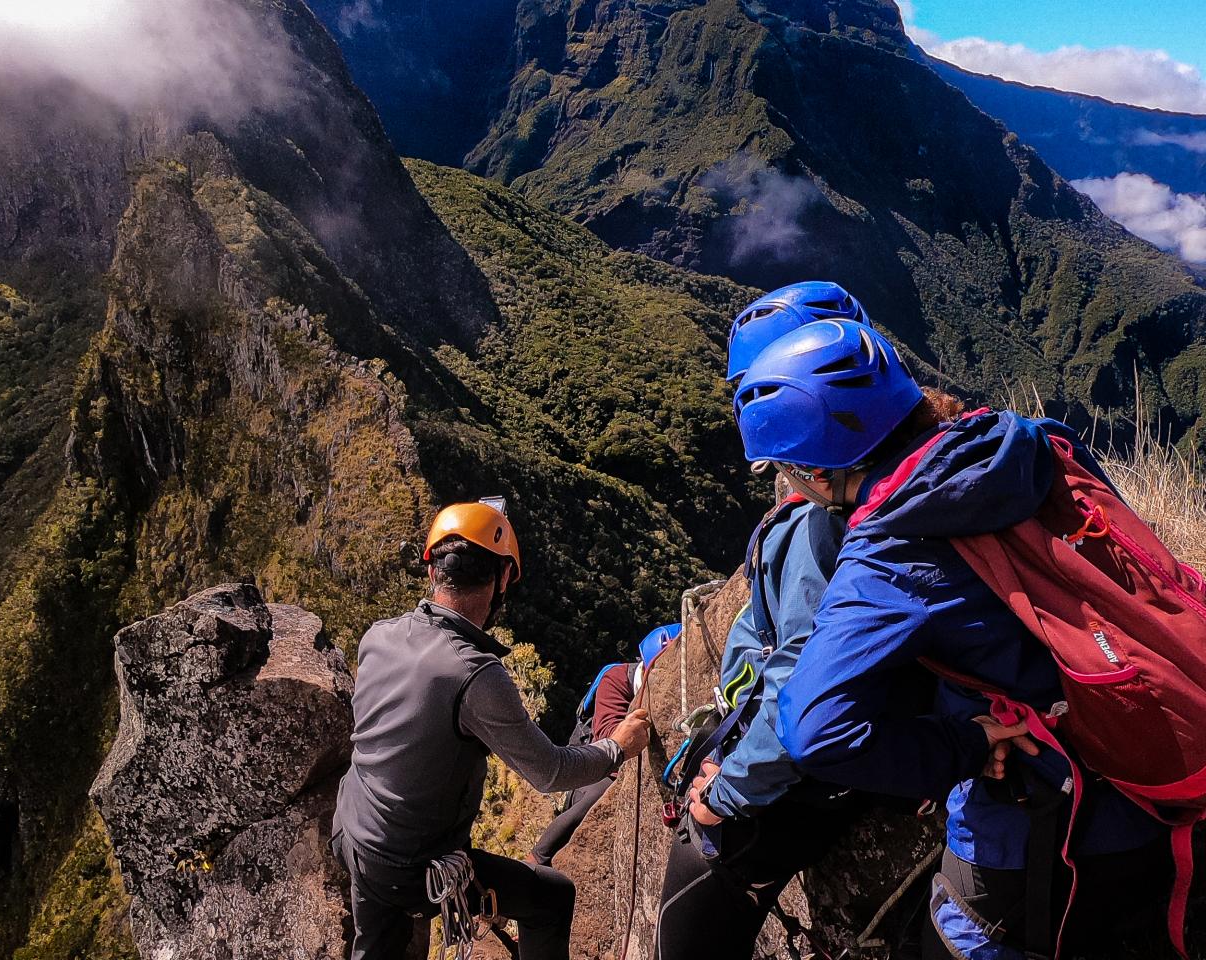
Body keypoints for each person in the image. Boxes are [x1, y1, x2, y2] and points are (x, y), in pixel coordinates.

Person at [743, 320, 1171, 959]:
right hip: (1152, 773)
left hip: (1038, 830)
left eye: (787, 470)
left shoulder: (889, 552)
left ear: (815, 469)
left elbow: (813, 730)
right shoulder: (1029, 444)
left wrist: (964, 744)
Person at [654, 282, 876, 960]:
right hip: (828, 743)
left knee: (690, 902)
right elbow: (763, 626)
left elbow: (803, 669)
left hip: (821, 769)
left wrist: (726, 786)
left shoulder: (821, 522)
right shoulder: (847, 491)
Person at [332, 501, 653, 960]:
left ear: (432, 572)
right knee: (551, 898)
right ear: (502, 579)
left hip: (353, 831)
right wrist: (617, 747)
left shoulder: (379, 635)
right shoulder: (474, 673)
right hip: (410, 868)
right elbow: (550, 771)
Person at [527, 623, 679, 867]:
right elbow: (607, 737)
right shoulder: (617, 679)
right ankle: (539, 857)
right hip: (596, 767)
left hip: (627, 764)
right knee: (601, 793)